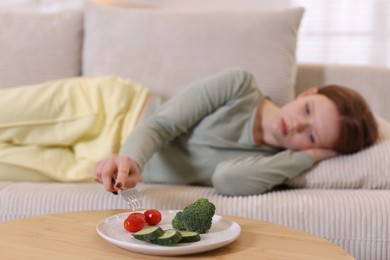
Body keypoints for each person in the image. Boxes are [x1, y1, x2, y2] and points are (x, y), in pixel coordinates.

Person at [0, 69, 378, 195]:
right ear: (307, 93)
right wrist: (128, 158)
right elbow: (164, 124)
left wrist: (303, 159)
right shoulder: (239, 86)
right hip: (110, 112)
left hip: (98, 167)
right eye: (308, 110)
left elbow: (225, 179)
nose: (296, 124)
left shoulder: (266, 163)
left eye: (311, 136)